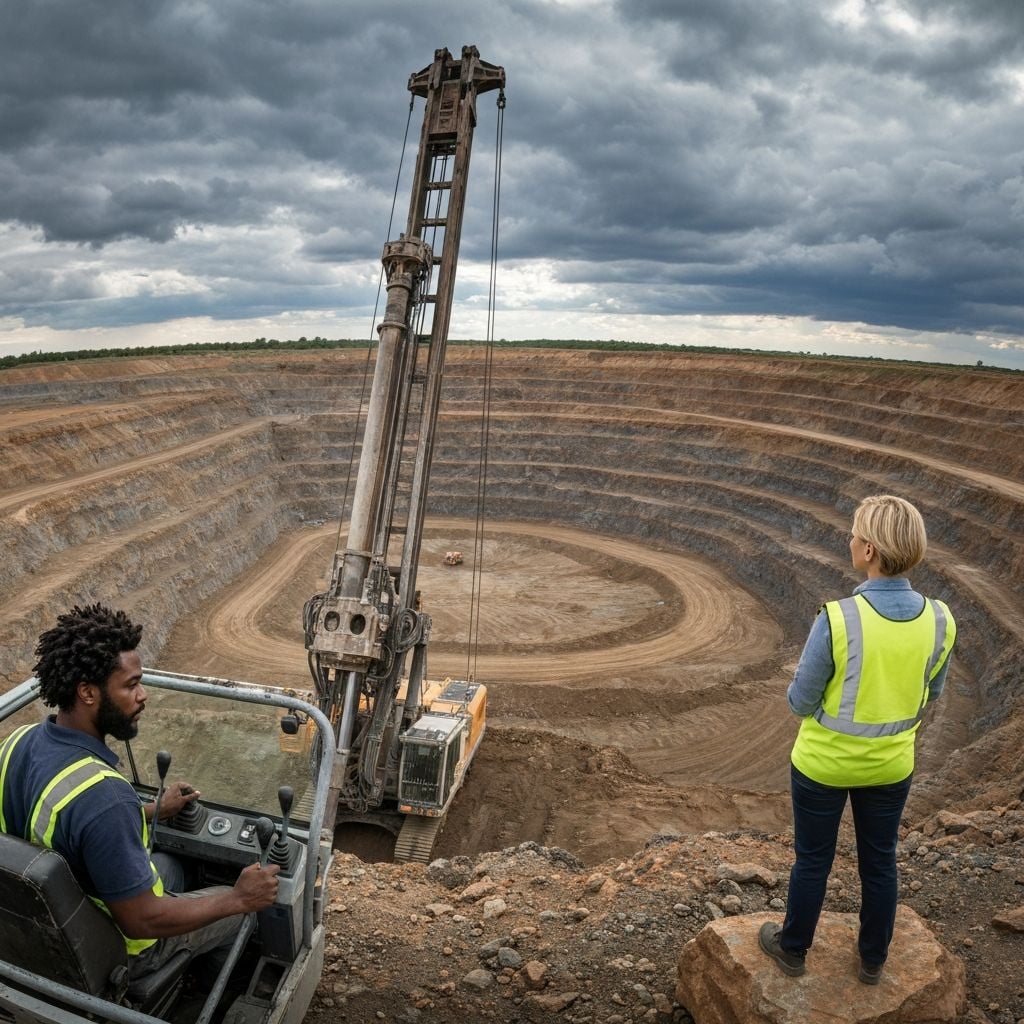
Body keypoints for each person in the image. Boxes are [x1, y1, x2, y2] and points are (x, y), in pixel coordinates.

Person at [0, 604, 279, 979]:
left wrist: (150, 810)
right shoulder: (105, 798)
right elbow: (142, 921)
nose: (143, 695)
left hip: (38, 929)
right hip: (116, 951)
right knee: (242, 917)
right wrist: (239, 898)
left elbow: (60, 820)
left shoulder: (16, 741)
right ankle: (196, 993)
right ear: (87, 692)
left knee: (171, 868)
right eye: (131, 685)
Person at [759, 495, 956, 985]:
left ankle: (793, 950)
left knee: (812, 861)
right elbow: (932, 693)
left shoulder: (838, 618)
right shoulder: (941, 620)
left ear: (868, 549)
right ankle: (873, 960)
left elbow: (800, 703)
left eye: (853, 534)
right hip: (891, 766)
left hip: (822, 766)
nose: (848, 540)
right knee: (880, 861)